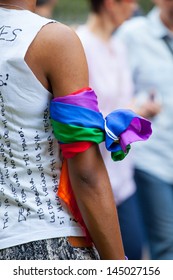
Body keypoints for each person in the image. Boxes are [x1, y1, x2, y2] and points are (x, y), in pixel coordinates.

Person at [76, 0, 144, 260]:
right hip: (93, 175)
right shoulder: (80, 45)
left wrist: (139, 111)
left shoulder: (118, 46)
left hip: (123, 175)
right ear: (110, 4)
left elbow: (123, 102)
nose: (135, 6)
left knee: (135, 253)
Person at [117, 0, 173, 260]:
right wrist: (139, 109)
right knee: (166, 243)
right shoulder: (133, 34)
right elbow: (112, 91)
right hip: (153, 159)